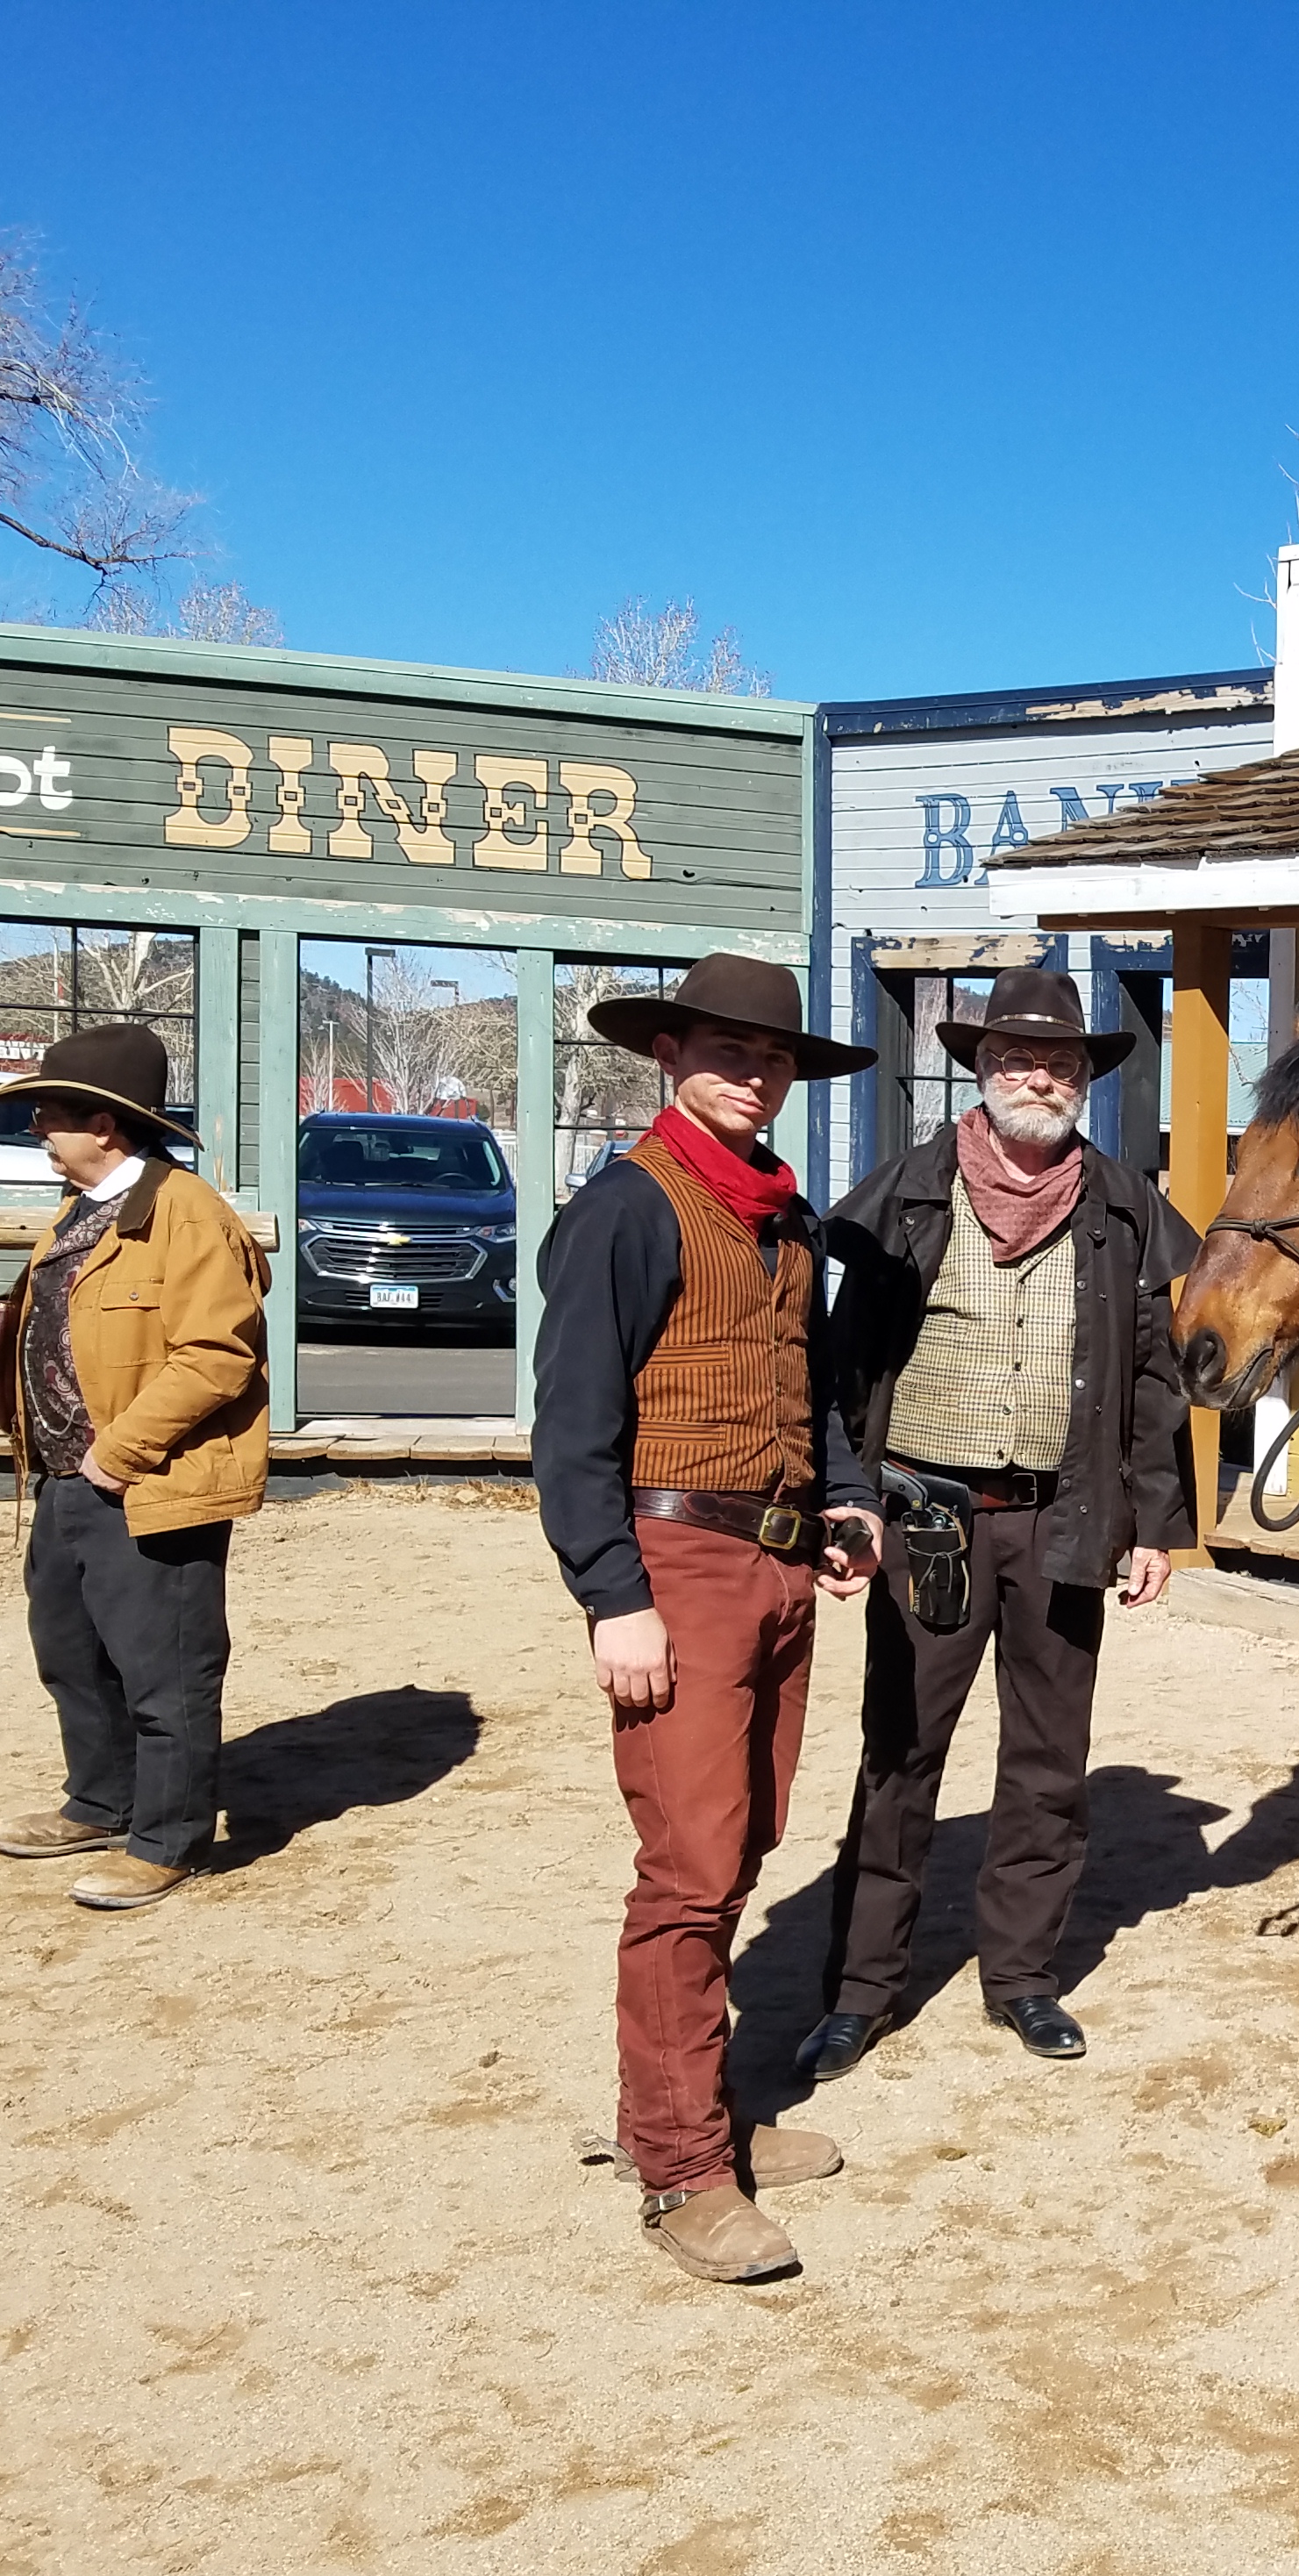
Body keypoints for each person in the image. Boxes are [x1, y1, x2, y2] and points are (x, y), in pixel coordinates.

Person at [532, 953, 886, 2286]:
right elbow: (573, 1425)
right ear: (671, 1055)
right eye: (729, 1051)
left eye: (775, 1056)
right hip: (673, 1561)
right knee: (687, 1865)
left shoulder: (784, 1220)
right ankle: (682, 2168)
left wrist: (843, 1501)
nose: (755, 1074)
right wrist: (612, 1596)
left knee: (743, 1842)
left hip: (777, 1562)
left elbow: (810, 1390)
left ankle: (690, 2110)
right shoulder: (627, 1207)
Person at [796, 965, 1200, 2079]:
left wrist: (1155, 1524)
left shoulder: (1121, 1203)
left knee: (1049, 1761)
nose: (1039, 1077)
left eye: (1060, 1062)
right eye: (1017, 1058)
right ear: (980, 1069)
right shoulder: (910, 1194)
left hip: (1065, 1516)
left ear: (1084, 1079)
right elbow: (845, 1371)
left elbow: (1153, 1377)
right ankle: (862, 1989)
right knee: (901, 1751)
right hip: (927, 1517)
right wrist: (845, 1498)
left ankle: (1021, 1975)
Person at [0, 1023, 270, 1914]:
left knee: (165, 1670)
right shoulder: (82, 1210)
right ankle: (101, 1803)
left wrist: (119, 1451)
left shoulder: (186, 1214)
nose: (36, 1130)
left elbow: (217, 1355)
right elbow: (69, 1326)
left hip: (145, 1482)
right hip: (64, 1477)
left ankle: (167, 1841)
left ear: (103, 1124)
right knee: (71, 1653)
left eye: (48, 1114)